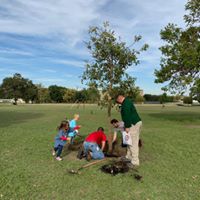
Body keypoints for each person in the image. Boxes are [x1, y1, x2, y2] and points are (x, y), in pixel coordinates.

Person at [116, 95, 142, 167]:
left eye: (118, 102)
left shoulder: (125, 103)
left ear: (120, 99)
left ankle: (135, 161)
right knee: (129, 141)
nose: (118, 103)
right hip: (134, 123)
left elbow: (127, 115)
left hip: (132, 124)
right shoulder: (126, 102)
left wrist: (127, 126)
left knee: (133, 142)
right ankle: (128, 157)